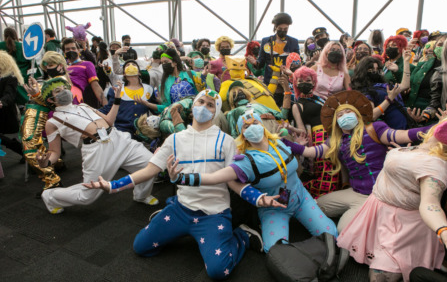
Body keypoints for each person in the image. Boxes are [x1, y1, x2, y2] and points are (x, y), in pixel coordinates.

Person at [84, 90, 268, 280]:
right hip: (181, 209)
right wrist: (113, 185)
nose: (204, 107)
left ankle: (242, 237)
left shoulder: (227, 142)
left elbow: (233, 182)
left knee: (218, 271)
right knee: (140, 246)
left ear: (216, 111)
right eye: (201, 102)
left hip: (213, 215)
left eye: (210, 105)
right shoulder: (174, 140)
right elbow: (149, 170)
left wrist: (258, 198)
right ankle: (170, 214)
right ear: (193, 106)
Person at [167, 110, 339, 252]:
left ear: (262, 126)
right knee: (275, 251)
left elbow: (314, 152)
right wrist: (180, 178)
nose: (252, 128)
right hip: (274, 210)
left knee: (332, 235)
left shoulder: (281, 142)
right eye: (246, 126)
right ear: (242, 134)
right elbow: (214, 177)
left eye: (255, 123)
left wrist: (339, 133)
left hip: (302, 199)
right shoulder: (245, 161)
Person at [336, 113, 447, 282]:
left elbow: (430, 203)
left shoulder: (435, 165)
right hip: (378, 212)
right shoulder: (418, 147)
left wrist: (444, 230)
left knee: (378, 278)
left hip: (401, 228)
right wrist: (400, 158)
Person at [287, 90, 432, 232]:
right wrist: (281, 141)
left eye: (348, 113)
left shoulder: (375, 128)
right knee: (315, 207)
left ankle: (373, 220)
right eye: (340, 115)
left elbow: (403, 135)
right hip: (356, 193)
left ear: (357, 115)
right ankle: (367, 217)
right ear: (336, 121)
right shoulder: (335, 140)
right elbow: (310, 152)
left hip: (380, 194)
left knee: (344, 230)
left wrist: (435, 129)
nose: (345, 117)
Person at [37, 77, 158, 214]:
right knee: (87, 196)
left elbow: (109, 121)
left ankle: (142, 195)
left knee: (150, 164)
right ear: (50, 100)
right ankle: (50, 196)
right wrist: (45, 163)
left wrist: (117, 99)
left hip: (118, 138)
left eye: (65, 88)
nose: (64, 91)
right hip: (96, 150)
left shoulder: (83, 106)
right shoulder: (53, 122)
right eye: (58, 91)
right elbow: (54, 152)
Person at [20, 51, 79, 193]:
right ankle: (56, 164)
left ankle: (53, 182)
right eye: (46, 66)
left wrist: (36, 93)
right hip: (34, 114)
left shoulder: (61, 81)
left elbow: (51, 101)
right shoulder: (57, 79)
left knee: (31, 150)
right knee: (37, 148)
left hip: (38, 116)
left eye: (51, 65)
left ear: (60, 65)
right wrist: (37, 90)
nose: (47, 68)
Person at [290, 66, 337, 199]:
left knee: (336, 165)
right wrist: (292, 130)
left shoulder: (321, 98)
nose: (304, 82)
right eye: (300, 80)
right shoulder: (297, 105)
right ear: (295, 84)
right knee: (325, 169)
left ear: (314, 82)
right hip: (318, 137)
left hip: (332, 133)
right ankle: (322, 198)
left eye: (308, 80)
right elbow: (302, 130)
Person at [351, 54, 411, 130]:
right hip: (390, 132)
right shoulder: (365, 91)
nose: (374, 72)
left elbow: (405, 85)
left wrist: (406, 62)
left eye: (377, 69)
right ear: (363, 72)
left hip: (405, 126)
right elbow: (371, 116)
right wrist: (389, 99)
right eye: (371, 70)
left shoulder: (384, 85)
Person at [99, 60, 157, 137]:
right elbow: (108, 109)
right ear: (124, 73)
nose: (130, 66)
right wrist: (91, 111)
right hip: (121, 132)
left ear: (139, 72)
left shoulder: (149, 89)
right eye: (127, 65)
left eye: (133, 64)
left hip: (142, 133)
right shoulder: (116, 89)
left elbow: (155, 109)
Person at [0, 27, 41, 105]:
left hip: (4, 80)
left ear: (4, 36)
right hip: (22, 79)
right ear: (16, 35)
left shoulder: (0, 46)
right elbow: (33, 66)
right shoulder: (24, 47)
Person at [62, 38, 108, 107]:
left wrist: (106, 106)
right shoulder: (63, 68)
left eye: (73, 48)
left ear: (78, 50)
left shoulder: (87, 64)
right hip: (66, 103)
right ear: (64, 52)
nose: (71, 51)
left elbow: (95, 85)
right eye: (67, 49)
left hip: (83, 101)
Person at [256, 13, 300, 85]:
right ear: (275, 27)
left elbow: (297, 61)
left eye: (285, 29)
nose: (283, 30)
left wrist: (293, 67)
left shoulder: (293, 42)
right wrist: (255, 63)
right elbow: (261, 62)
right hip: (270, 81)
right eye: (280, 28)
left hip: (287, 82)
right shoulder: (266, 41)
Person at [0, 50, 24, 157]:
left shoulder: (11, 77)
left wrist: (2, 102)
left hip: (4, 111)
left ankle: (21, 150)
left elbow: (10, 94)